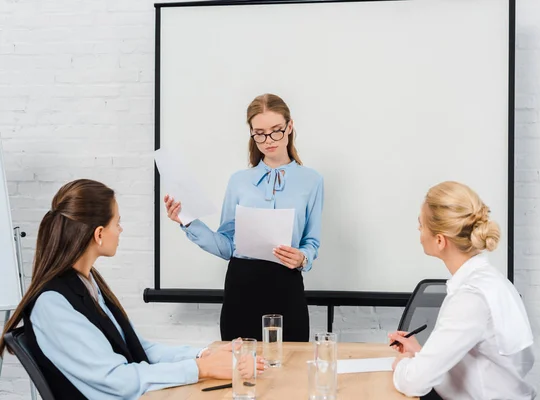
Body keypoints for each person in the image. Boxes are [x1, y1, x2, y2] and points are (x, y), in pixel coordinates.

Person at [0, 179, 264, 400]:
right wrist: (200, 368)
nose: (121, 229)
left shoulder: (86, 282)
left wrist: (204, 354)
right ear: (99, 233)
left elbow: (138, 347)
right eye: (118, 222)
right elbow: (116, 379)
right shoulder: (53, 303)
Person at [164, 93, 324, 342]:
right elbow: (227, 245)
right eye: (259, 133)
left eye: (276, 131)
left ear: (290, 127)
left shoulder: (312, 181)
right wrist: (187, 220)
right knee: (241, 370)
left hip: (286, 285)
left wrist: (303, 258)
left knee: (290, 368)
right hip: (242, 286)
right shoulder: (239, 181)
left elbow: (311, 241)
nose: (268, 140)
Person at [389, 181, 535, 400]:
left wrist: (403, 363)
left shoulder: (471, 296)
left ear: (440, 240)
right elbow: (476, 360)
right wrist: (420, 354)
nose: (419, 232)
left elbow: (414, 383)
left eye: (421, 225)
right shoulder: (489, 280)